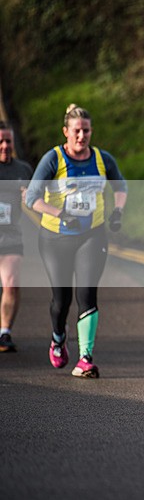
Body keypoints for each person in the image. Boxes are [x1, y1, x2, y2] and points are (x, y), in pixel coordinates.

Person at [26, 104, 127, 378]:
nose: (82, 136)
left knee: (87, 295)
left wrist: (117, 211)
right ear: (66, 132)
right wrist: (60, 213)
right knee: (62, 301)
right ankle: (58, 337)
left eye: (86, 131)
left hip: (92, 235)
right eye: (77, 131)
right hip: (55, 238)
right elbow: (31, 198)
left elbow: (120, 186)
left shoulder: (102, 159)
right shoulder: (53, 159)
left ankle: (85, 358)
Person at [0, 121, 32, 353]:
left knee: (11, 283)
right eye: (0, 141)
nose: (5, 146)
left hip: (11, 235)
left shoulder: (23, 170)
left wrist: (28, 198)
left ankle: (4, 333)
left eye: (8, 141)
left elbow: (35, 203)